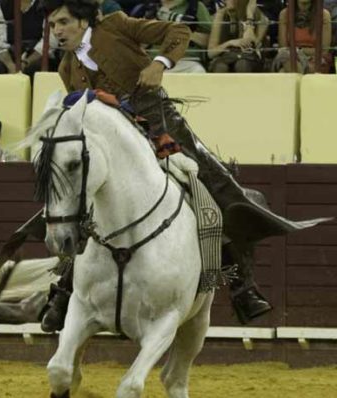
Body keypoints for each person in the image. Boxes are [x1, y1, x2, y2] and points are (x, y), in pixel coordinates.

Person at [24, 0, 325, 332]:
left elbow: (178, 30)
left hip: (161, 126)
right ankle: (65, 293)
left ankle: (242, 286)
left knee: (216, 186)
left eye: (63, 22)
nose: (57, 31)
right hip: (117, 147)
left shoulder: (117, 25)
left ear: (83, 21)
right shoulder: (67, 69)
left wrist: (159, 62)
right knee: (73, 205)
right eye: (52, 26)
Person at [207, 0, 269, 73]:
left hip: (249, 58)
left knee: (242, 64)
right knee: (221, 67)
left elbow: (250, 45)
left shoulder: (261, 18)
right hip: (226, 57)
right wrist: (230, 43)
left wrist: (249, 17)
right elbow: (210, 53)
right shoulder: (220, 15)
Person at [272, 0, 332, 73]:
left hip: (315, 58)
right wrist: (297, 54)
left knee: (283, 72)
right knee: (286, 57)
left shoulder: (324, 14)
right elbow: (283, 47)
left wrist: (300, 51)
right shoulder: (284, 14)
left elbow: (324, 50)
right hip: (290, 56)